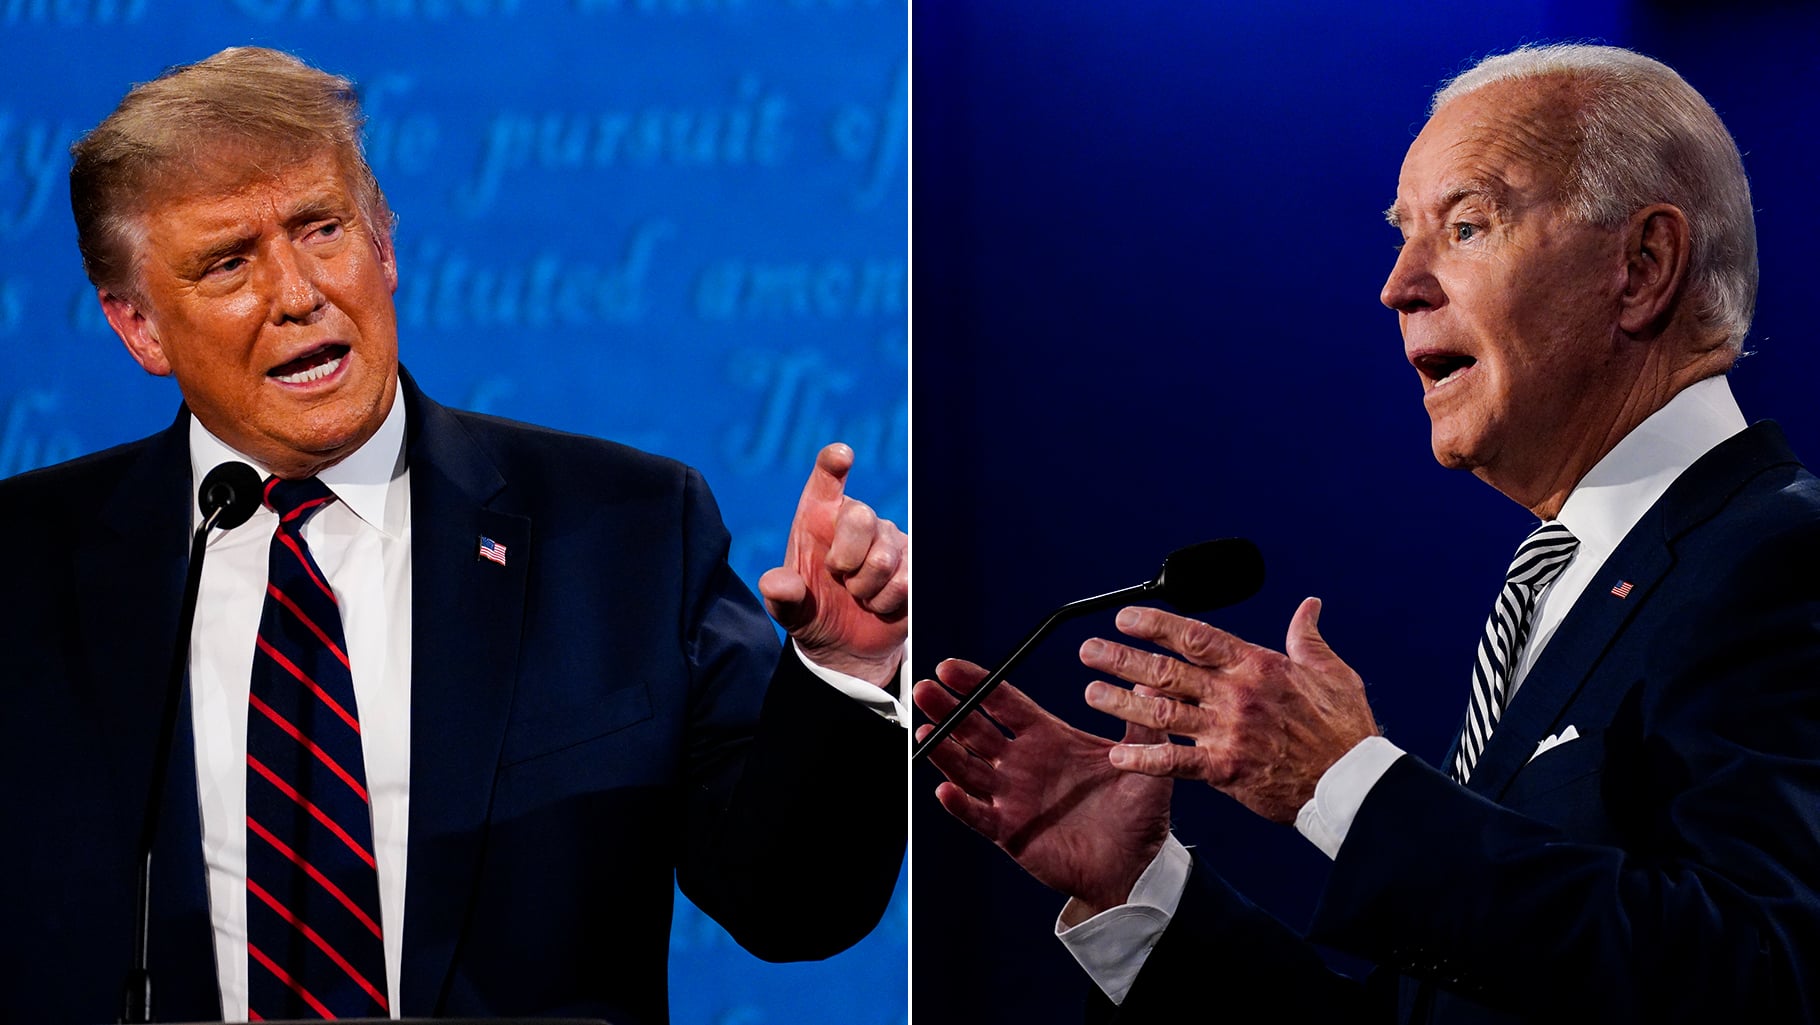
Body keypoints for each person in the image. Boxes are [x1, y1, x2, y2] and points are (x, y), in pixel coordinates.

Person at [0, 47, 907, 1024]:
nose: (298, 292)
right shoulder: (20, 569)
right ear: (139, 327)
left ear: (383, 247)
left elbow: (792, 906)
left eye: (323, 229)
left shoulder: (627, 532)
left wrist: (842, 675)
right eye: (228, 263)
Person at [916, 43, 1820, 1023]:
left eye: (1465, 225)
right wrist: (1139, 890)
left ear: (1639, 267)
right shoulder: (1571, 582)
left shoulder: (1778, 557)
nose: (1397, 285)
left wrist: (1341, 782)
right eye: (1399, 237)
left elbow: (1768, 979)